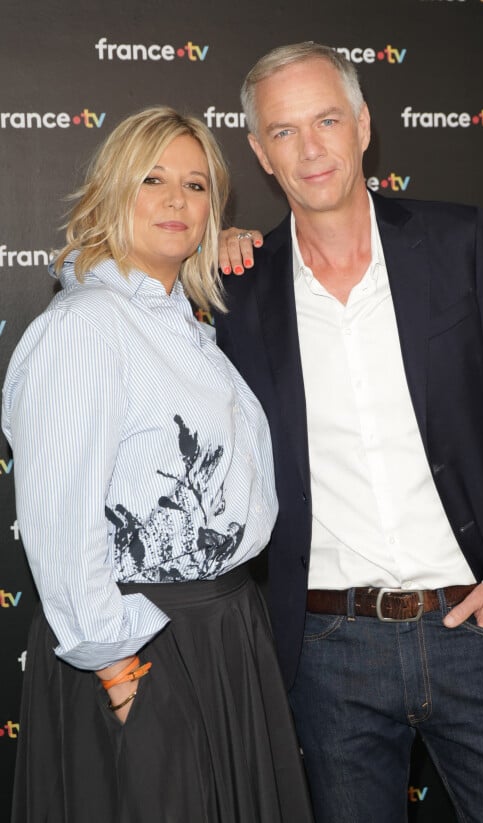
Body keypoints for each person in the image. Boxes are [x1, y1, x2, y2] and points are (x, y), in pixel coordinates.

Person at [214, 43, 483, 822]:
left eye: (327, 119)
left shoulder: (457, 242)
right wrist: (221, 244)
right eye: (284, 131)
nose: (310, 149)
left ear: (364, 125)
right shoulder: (238, 288)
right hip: (328, 652)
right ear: (259, 151)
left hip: (470, 624)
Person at [1, 106, 313, 823]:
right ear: (112, 191)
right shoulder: (85, 328)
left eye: (197, 185)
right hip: (141, 644)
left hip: (225, 632)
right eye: (154, 179)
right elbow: (58, 516)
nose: (178, 200)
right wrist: (116, 667)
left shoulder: (189, 324)